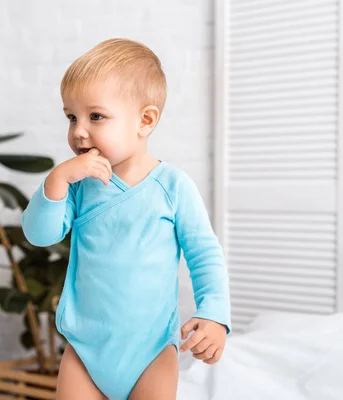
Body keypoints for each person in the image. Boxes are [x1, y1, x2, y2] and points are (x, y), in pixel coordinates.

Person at [21, 38, 231, 400]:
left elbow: (204, 255)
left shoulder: (173, 187)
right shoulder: (78, 186)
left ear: (145, 121)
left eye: (95, 116)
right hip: (84, 351)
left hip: (151, 351)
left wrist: (214, 314)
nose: (79, 131)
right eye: (72, 117)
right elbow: (39, 234)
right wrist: (56, 180)